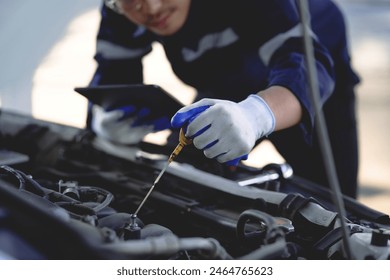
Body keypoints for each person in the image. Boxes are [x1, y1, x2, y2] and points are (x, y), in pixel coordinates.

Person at [88, 0, 360, 198]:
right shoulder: (119, 7)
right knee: (183, 177)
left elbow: (305, 60)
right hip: (225, 79)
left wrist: (256, 115)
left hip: (308, 73)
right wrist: (105, 119)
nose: (151, 8)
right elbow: (113, 76)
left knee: (331, 201)